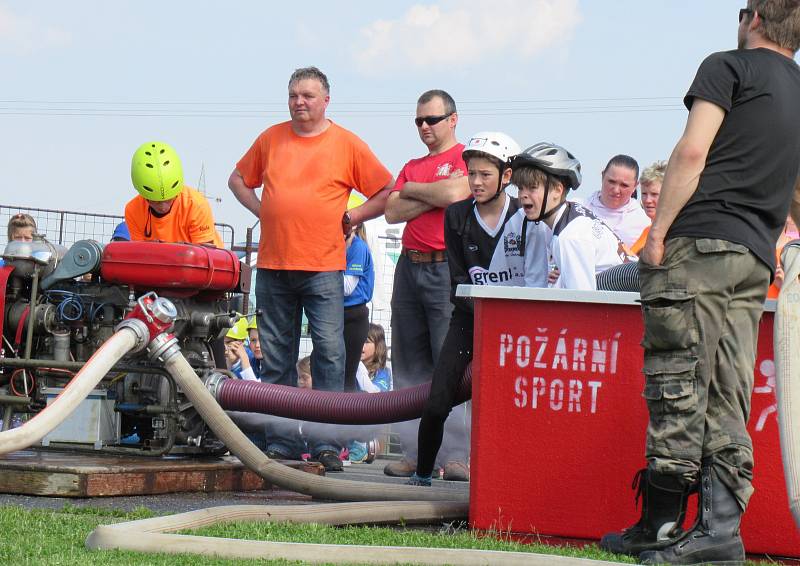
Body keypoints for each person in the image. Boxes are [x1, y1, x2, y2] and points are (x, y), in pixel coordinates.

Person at [601, 3, 800, 564]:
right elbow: (796, 182)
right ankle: (718, 532)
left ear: (755, 16)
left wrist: (658, 231)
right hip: (755, 257)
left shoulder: (728, 65)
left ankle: (662, 527)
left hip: (701, 242)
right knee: (727, 392)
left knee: (677, 381)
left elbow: (692, 151)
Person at [227, 66, 394, 472]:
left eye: (308, 95)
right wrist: (263, 211)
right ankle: (280, 441)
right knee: (277, 357)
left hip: (323, 268)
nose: (299, 102)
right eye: (293, 95)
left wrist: (354, 216)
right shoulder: (271, 138)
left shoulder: (347, 143)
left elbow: (386, 190)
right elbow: (237, 180)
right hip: (274, 265)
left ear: (326, 100)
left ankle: (326, 444)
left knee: (330, 357)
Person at [407, 131, 521, 486]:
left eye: (485, 174)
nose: (476, 181)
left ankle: (505, 479)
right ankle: (423, 474)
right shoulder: (457, 215)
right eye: (471, 173)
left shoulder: (522, 215)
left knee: (508, 407)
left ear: (507, 176)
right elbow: (458, 279)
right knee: (438, 399)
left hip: (515, 324)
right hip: (469, 318)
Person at [383, 89, 471, 480]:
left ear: (452, 119)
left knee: (447, 363)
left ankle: (454, 455)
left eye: (431, 119)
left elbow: (456, 193)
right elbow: (390, 210)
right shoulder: (413, 163)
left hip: (443, 268)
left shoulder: (467, 159)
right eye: (418, 120)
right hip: (410, 266)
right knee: (407, 363)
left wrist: (411, 189)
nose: (424, 127)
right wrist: (432, 194)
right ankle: (415, 452)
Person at [510, 143, 634, 291]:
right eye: (520, 188)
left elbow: (581, 303)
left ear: (557, 190)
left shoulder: (570, 236)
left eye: (532, 187)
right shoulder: (574, 213)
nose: (523, 195)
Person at [125, 141, 223, 248]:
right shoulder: (133, 210)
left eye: (169, 199)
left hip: (202, 262)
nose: (163, 207)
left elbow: (205, 256)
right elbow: (141, 253)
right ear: (143, 194)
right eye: (155, 201)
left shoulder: (196, 205)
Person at [584, 155, 651, 247]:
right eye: (611, 182)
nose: (616, 190)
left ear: (635, 186)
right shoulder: (576, 208)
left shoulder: (644, 222)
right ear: (603, 176)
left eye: (624, 185)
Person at [348, 323, 392, 463]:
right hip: (350, 420)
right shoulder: (349, 368)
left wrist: (359, 368)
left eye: (366, 342)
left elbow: (374, 393)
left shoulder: (383, 372)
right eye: (359, 340)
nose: (361, 345)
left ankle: (362, 446)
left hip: (373, 424)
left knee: (363, 397)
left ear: (378, 346)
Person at [343, 221, 375, 392]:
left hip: (353, 315)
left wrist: (321, 278)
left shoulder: (358, 247)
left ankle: (343, 413)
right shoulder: (339, 246)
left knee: (347, 374)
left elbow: (348, 287)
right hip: (337, 312)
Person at [630, 161, 667, 254]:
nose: (647, 200)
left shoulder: (673, 232)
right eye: (644, 194)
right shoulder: (648, 230)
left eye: (654, 194)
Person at [223, 317, 259, 381]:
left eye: (229, 343)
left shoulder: (252, 359)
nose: (257, 345)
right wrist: (230, 363)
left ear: (242, 342)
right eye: (253, 340)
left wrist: (244, 357)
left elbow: (256, 389)